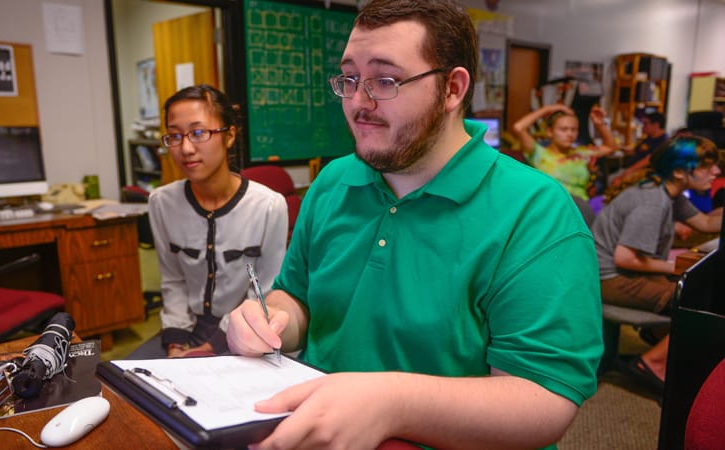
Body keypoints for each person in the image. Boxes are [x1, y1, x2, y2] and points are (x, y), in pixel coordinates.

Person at [227, 1, 602, 448]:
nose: (358, 103)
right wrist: (273, 321)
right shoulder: (332, 181)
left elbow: (544, 400)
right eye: (350, 79)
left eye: (385, 81)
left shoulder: (536, 211)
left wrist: (391, 402)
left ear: (452, 89)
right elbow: (299, 295)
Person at [128, 85, 288, 359]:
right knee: (123, 384)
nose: (186, 148)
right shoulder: (161, 203)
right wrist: (176, 344)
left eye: (198, 133)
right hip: (185, 329)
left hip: (244, 331)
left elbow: (264, 291)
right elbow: (173, 281)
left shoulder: (268, 206)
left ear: (229, 136)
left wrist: (212, 347)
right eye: (175, 136)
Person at [591, 136, 722, 394]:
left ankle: (657, 337)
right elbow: (625, 258)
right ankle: (651, 363)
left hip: (621, 273)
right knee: (697, 300)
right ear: (679, 171)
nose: (716, 172)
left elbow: (706, 224)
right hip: (609, 278)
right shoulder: (653, 202)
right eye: (706, 167)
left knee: (696, 289)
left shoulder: (667, 192)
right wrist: (673, 266)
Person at [512, 102, 617, 200]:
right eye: (564, 129)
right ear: (549, 132)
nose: (570, 134)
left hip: (580, 208)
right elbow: (518, 128)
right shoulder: (539, 153)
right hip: (552, 207)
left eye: (574, 129)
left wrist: (600, 125)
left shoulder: (580, 153)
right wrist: (550, 109)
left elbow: (610, 148)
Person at [608, 112, 668, 188]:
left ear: (656, 125)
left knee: (611, 181)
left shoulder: (663, 141)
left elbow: (648, 160)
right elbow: (635, 151)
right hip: (631, 169)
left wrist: (628, 172)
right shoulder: (649, 138)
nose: (643, 126)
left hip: (642, 174)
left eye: (646, 124)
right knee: (607, 178)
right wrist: (619, 148)